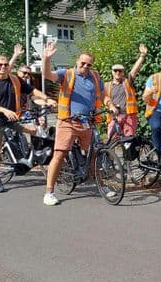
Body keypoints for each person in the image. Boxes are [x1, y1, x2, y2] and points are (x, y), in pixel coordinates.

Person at [42, 42, 113, 206]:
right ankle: (49, 192)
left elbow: (103, 95)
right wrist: (46, 58)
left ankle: (101, 185)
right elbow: (48, 75)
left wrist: (110, 105)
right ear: (77, 61)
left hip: (87, 122)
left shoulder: (95, 77)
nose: (85, 66)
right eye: (83, 63)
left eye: (89, 64)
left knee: (95, 154)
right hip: (67, 122)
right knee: (59, 154)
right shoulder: (66, 74)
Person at [0, 54, 56, 193]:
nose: (3, 67)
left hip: (13, 118)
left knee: (35, 131)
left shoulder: (15, 79)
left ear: (9, 66)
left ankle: (31, 161)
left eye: (6, 64)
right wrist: (4, 110)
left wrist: (47, 99)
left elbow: (32, 90)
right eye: (0, 64)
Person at [105, 44, 148, 140]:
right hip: (114, 117)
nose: (117, 72)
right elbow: (104, 99)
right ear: (112, 72)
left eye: (120, 71)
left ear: (123, 72)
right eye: (115, 70)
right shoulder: (107, 85)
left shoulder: (127, 81)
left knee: (128, 141)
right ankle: (112, 156)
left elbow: (134, 70)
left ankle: (128, 155)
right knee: (112, 140)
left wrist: (142, 56)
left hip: (129, 116)